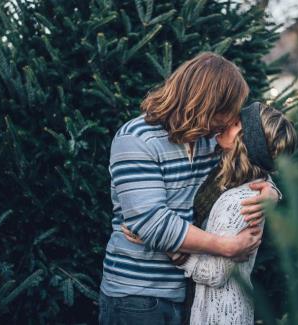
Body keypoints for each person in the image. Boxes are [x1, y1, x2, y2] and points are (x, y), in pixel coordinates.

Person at [99, 52, 280, 325]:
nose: (230, 118)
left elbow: (250, 161)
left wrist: (271, 192)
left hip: (190, 293)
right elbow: (152, 223)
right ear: (205, 102)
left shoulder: (210, 140)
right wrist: (225, 246)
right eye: (227, 109)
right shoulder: (136, 139)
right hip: (138, 296)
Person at [123, 102, 297, 325]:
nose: (226, 122)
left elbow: (215, 273)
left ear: (246, 142)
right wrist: (274, 191)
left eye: (236, 124)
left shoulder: (242, 202)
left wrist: (159, 240)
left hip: (221, 314)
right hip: (203, 307)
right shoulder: (228, 173)